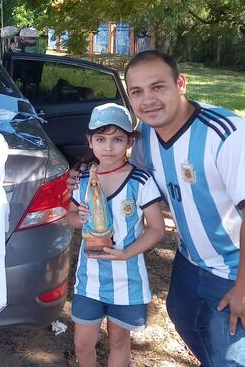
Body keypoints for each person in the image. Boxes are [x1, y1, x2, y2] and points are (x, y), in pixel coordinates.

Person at [71, 51, 245, 367]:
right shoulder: (146, 136)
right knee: (185, 317)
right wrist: (80, 179)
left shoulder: (225, 132)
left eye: (157, 87)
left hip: (242, 261)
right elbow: (123, 178)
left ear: (180, 84)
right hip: (193, 255)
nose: (148, 99)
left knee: (233, 358)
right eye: (136, 92)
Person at [66, 103, 166, 367]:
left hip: (128, 280)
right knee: (82, 343)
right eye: (100, 139)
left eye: (117, 139)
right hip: (90, 280)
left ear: (130, 141)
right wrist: (81, 218)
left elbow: (157, 228)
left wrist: (127, 253)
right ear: (90, 140)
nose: (108, 147)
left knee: (120, 342)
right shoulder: (83, 180)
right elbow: (70, 217)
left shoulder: (140, 182)